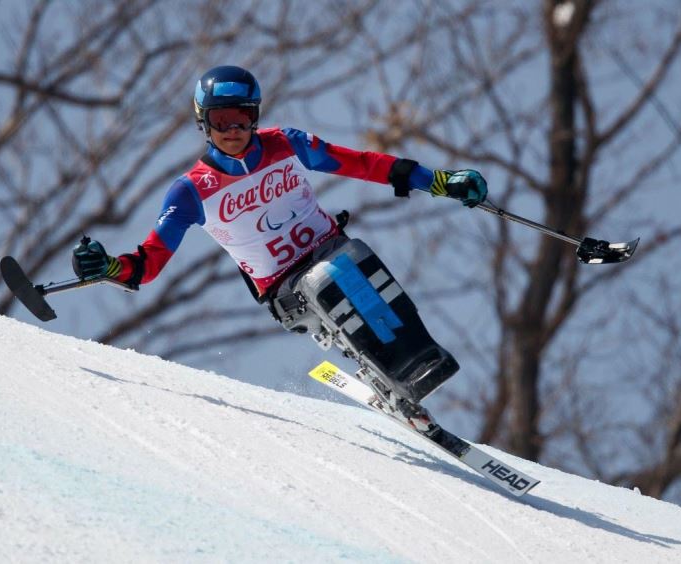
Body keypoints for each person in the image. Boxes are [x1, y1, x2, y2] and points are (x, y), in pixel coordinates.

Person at [73, 65, 487, 418]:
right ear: (203, 122)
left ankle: (420, 359)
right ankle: (388, 369)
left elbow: (359, 163)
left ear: (255, 116)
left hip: (332, 248)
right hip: (285, 289)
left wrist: (436, 181)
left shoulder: (285, 144)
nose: (233, 130)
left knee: (357, 263)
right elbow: (148, 264)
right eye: (221, 120)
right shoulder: (191, 191)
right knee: (332, 276)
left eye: (241, 117)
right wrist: (110, 268)